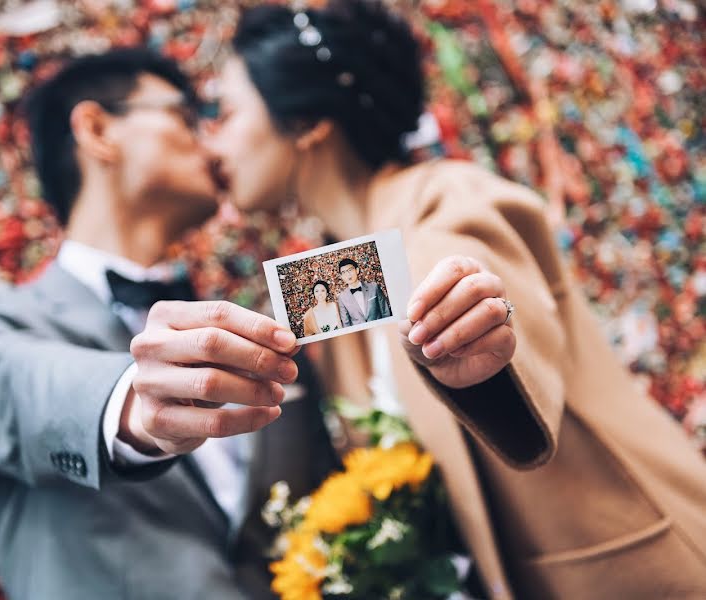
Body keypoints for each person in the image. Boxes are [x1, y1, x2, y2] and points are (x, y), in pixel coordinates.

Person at [202, 1, 706, 598]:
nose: (212, 143)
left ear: (308, 121)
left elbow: (466, 272)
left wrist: (480, 336)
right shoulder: (333, 274)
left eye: (225, 112)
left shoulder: (447, 198)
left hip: (635, 569)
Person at [0, 49, 339, 600]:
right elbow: (2, 389)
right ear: (96, 129)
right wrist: (131, 401)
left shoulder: (258, 331)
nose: (210, 144)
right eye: (186, 118)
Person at [335, 257, 392, 326]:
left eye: (350, 270)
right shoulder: (342, 297)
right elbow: (346, 323)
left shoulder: (374, 287)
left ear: (357, 270)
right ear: (341, 276)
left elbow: (385, 312)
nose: (348, 274)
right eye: (344, 272)